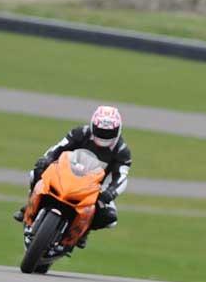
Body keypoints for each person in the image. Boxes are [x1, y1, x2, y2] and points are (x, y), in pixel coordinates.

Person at [13, 106, 132, 248]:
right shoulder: (80, 133)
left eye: (109, 132)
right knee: (36, 174)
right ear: (93, 125)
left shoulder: (122, 150)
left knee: (109, 218)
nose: (104, 135)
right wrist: (46, 159)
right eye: (100, 131)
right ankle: (29, 207)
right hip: (66, 172)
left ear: (118, 130)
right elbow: (58, 148)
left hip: (96, 186)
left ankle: (83, 231)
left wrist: (110, 193)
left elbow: (121, 177)